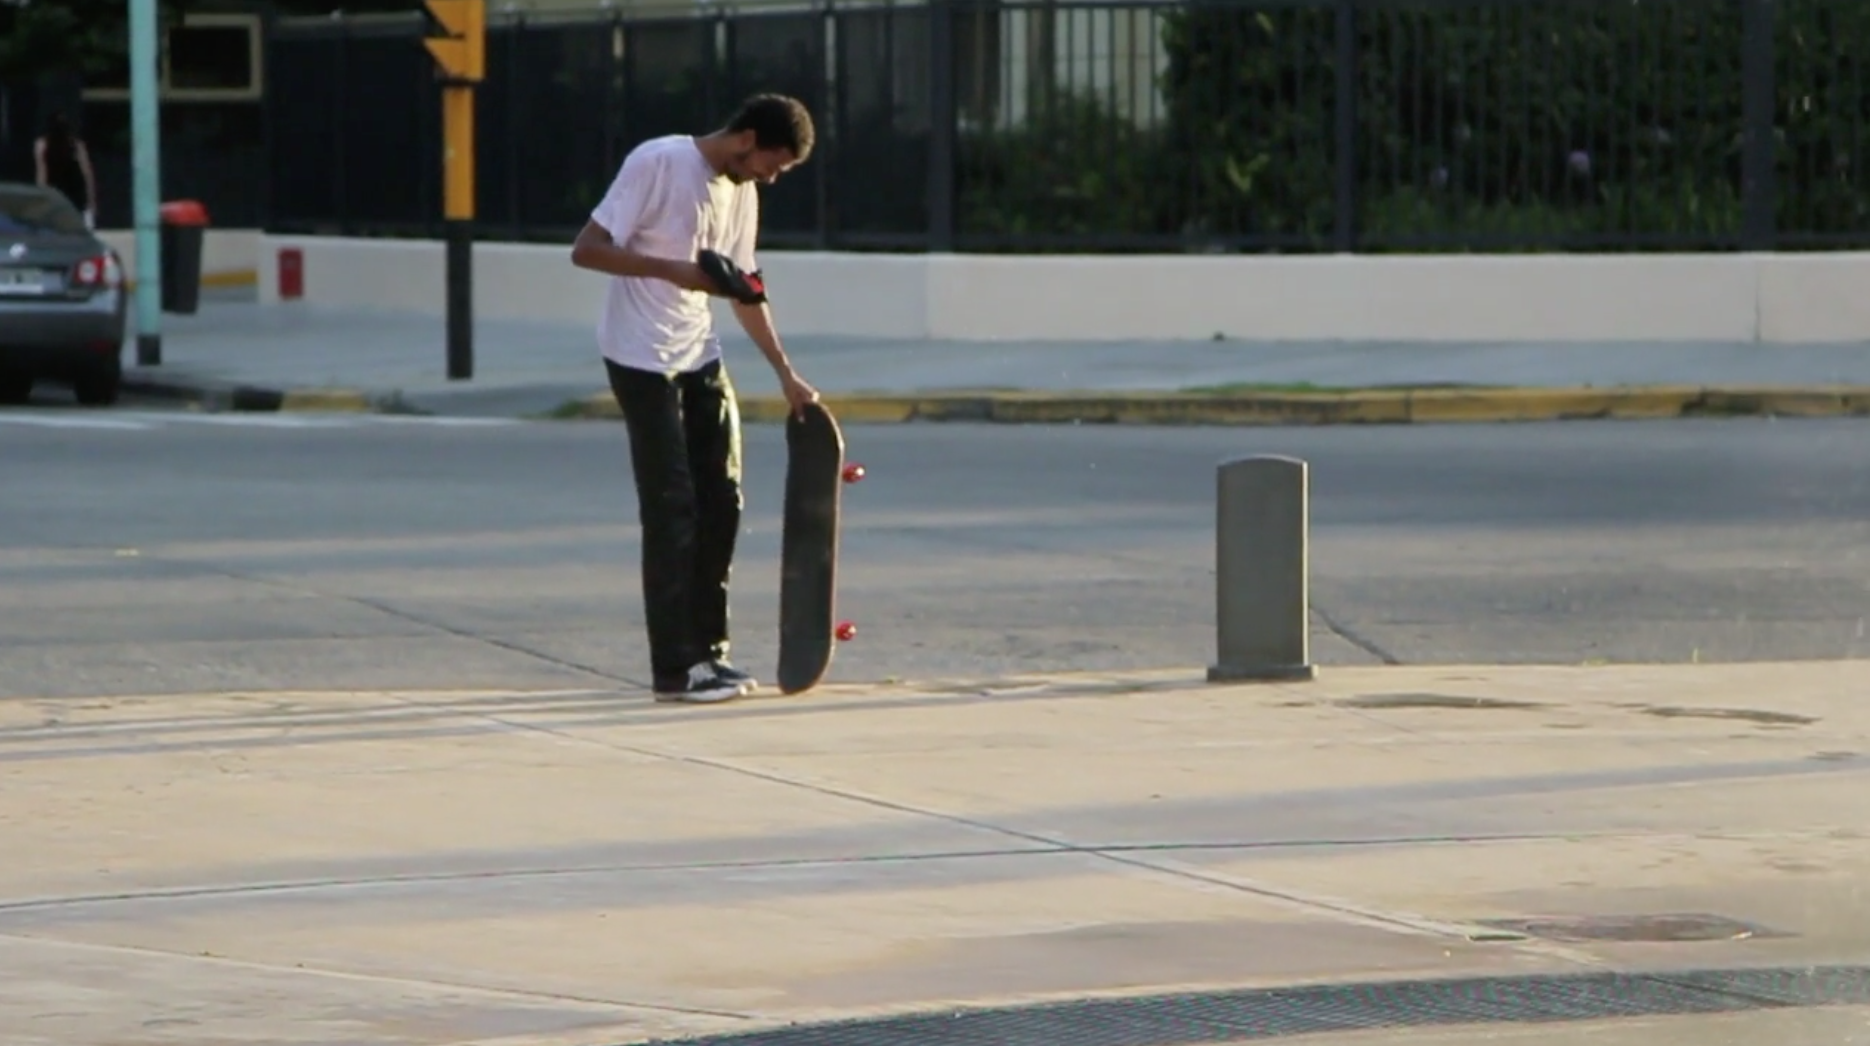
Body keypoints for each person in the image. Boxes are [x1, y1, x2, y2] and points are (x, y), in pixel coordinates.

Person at [570, 93, 822, 704]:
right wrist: (673, 271)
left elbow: (745, 288)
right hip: (638, 356)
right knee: (672, 507)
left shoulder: (743, 195)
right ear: (746, 140)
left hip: (698, 354)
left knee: (723, 500)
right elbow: (586, 249)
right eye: (774, 164)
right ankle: (674, 670)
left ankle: (711, 654)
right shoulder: (658, 162)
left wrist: (786, 374)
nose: (772, 176)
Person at [34, 113, 97, 228]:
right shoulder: (75, 145)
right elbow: (87, 172)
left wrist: (41, 195)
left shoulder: (42, 145)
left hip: (56, 190)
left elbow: (42, 173)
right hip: (73, 190)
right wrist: (91, 199)